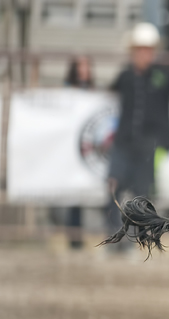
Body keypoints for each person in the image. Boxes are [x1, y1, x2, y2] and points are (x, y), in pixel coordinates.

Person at [107, 22, 169, 237]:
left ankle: (138, 238)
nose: (145, 54)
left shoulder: (162, 76)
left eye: (148, 49)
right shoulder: (124, 77)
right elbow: (108, 92)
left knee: (141, 193)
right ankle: (113, 235)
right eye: (141, 49)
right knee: (113, 185)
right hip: (123, 141)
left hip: (147, 144)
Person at [63, 56, 96, 249]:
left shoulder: (92, 89)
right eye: (81, 65)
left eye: (87, 65)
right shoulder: (68, 88)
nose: (84, 69)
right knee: (73, 196)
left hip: (88, 149)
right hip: (73, 151)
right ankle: (74, 238)